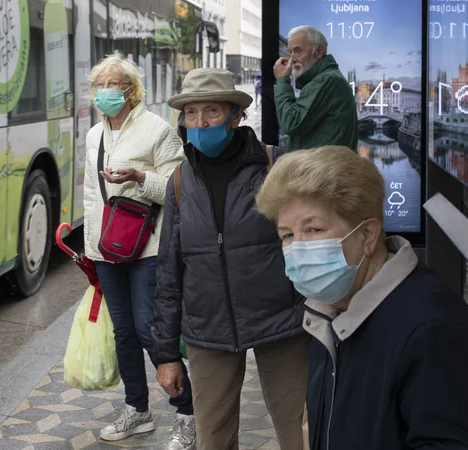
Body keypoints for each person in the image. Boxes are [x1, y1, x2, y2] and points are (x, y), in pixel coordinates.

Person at [255, 146, 468, 450]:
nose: (298, 248)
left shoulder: (431, 331)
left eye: (314, 229)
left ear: (368, 235)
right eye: (288, 235)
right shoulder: (330, 313)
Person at [153, 68, 309, 450]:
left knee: (302, 431)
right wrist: (166, 354)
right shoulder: (179, 182)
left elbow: (307, 241)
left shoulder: (275, 166)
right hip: (208, 329)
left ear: (235, 116)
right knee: (213, 439)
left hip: (282, 322)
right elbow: (169, 273)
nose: (200, 122)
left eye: (212, 111)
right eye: (191, 113)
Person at [82, 51, 195, 449]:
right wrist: (90, 250)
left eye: (113, 85)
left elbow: (177, 189)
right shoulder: (94, 135)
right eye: (100, 85)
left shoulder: (157, 130)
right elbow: (91, 196)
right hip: (107, 249)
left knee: (150, 329)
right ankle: (138, 410)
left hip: (148, 248)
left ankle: (187, 411)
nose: (105, 92)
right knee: (124, 332)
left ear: (131, 91)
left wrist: (138, 177)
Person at [273, 26, 358, 152]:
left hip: (323, 170)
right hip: (322, 167)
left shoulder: (327, 80)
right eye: (290, 52)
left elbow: (290, 123)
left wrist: (281, 81)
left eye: (298, 51)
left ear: (319, 52)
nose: (292, 60)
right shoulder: (325, 78)